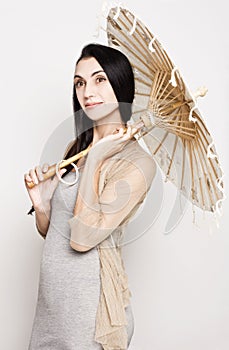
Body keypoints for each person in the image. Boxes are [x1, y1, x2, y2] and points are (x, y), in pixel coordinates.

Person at [24, 43, 156, 350]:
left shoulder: (137, 163)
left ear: (120, 83)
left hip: (89, 309)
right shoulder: (75, 148)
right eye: (79, 83)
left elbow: (82, 239)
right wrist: (42, 205)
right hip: (51, 305)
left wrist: (96, 159)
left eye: (99, 80)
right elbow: (55, 233)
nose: (87, 92)